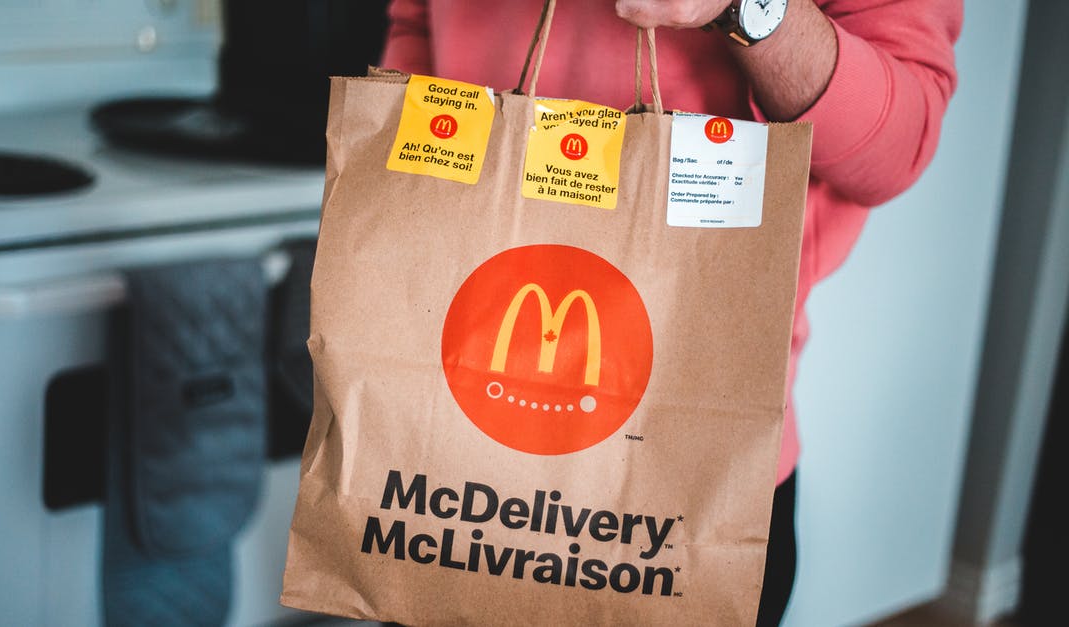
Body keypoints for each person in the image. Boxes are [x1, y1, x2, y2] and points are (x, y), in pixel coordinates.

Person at [380, 0, 962, 624]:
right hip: (455, 434)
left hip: (687, 451)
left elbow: (898, 146)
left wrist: (746, 7)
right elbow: (416, 27)